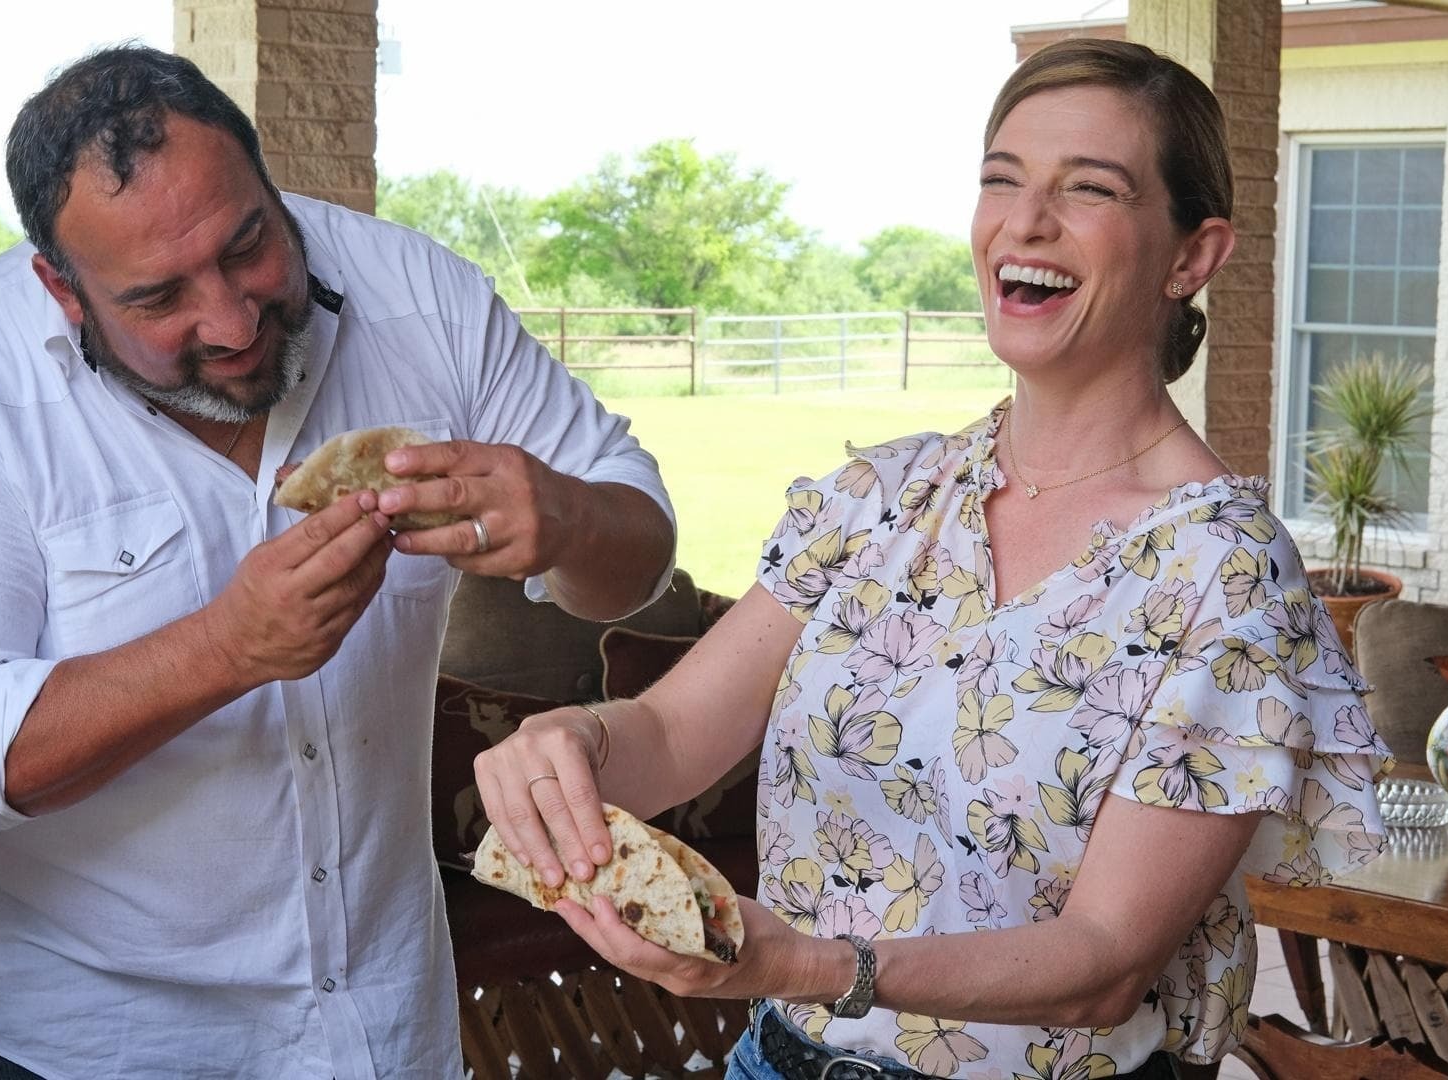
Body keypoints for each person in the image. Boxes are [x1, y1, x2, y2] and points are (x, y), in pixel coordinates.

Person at [474, 39, 1393, 1080]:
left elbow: (1102, 963)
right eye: (1002, 179)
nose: (1026, 220)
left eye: (1087, 188)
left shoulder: (1222, 575)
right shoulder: (881, 500)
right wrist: (576, 742)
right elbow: (674, 733)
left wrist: (818, 965)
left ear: (1193, 255)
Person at [0, 46, 674, 1079]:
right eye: (157, 298)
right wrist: (226, 649)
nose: (229, 321)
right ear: (62, 286)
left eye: (247, 247)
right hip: (87, 1049)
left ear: (272, 186)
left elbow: (637, 547)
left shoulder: (421, 299)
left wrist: (572, 519)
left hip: (387, 1031)